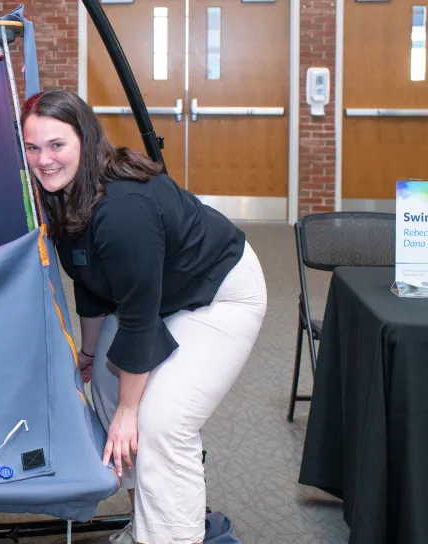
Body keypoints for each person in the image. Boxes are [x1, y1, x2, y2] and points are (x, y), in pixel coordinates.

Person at [21, 90, 267, 544]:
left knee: (159, 422)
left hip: (216, 292)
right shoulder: (60, 193)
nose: (44, 159)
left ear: (86, 139)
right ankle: (150, 524)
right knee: (108, 395)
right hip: (153, 294)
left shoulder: (122, 210)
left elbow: (137, 319)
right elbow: (89, 280)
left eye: (57, 145)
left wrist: (132, 411)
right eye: (32, 147)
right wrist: (91, 353)